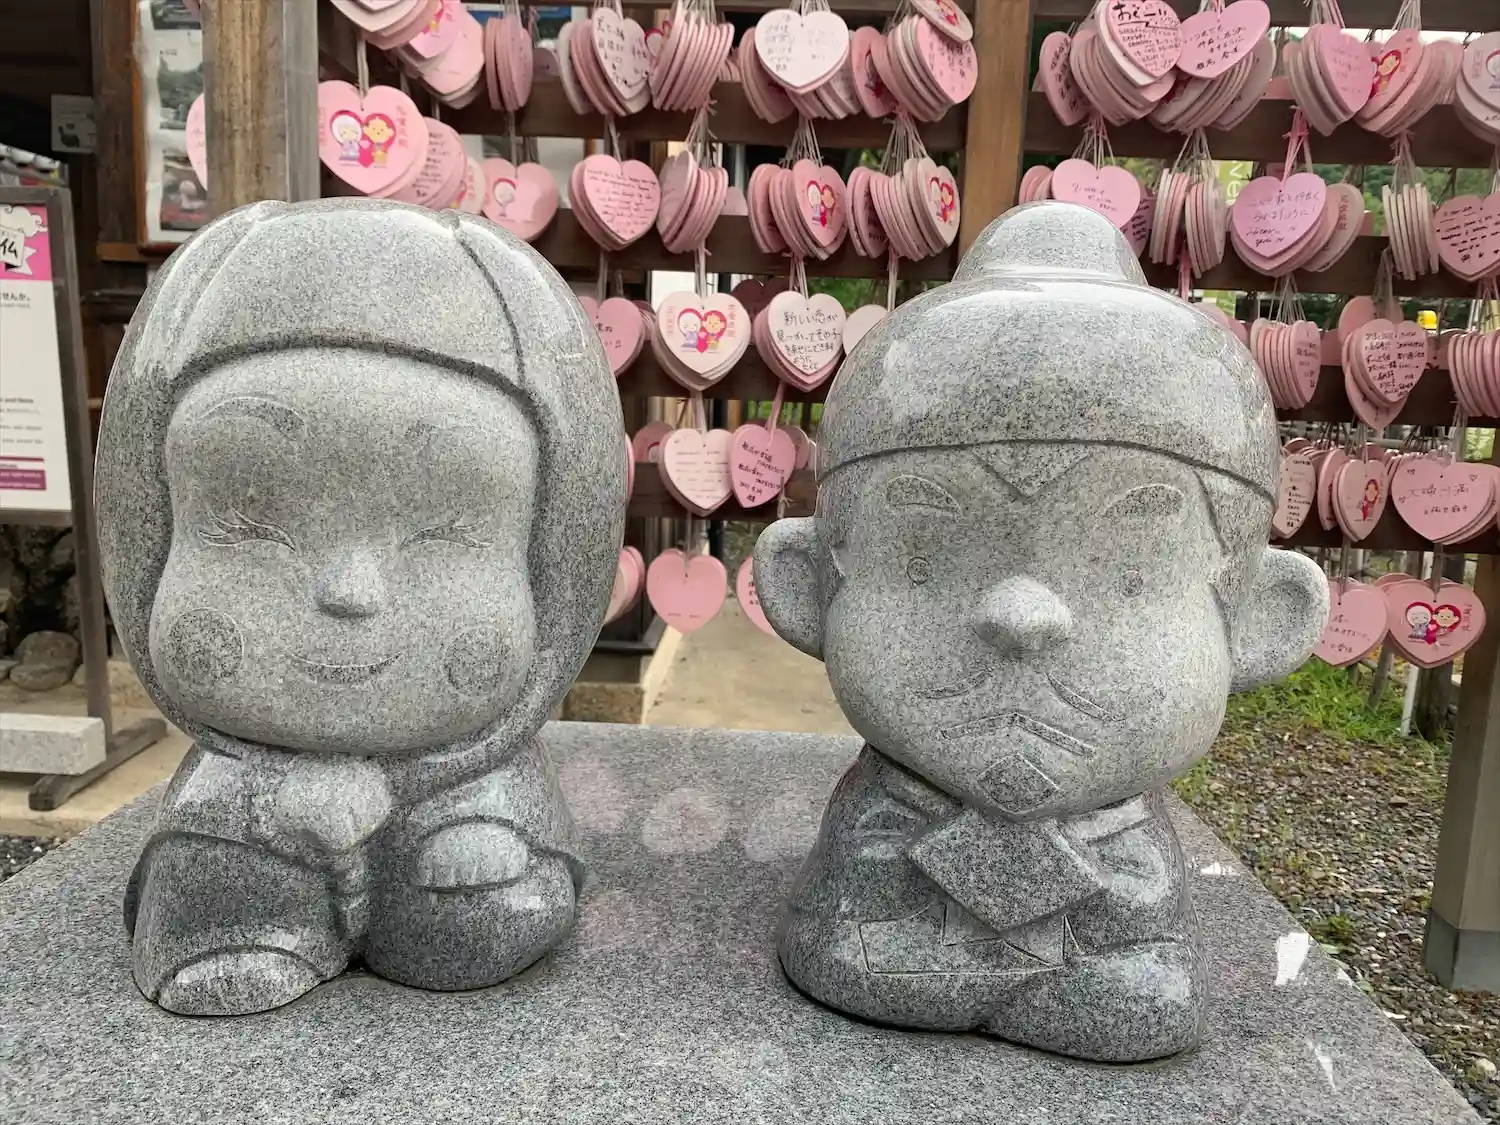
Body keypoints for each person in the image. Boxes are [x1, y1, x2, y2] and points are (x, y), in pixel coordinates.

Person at [752, 202, 1327, 1063]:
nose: (1021, 615)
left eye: (1130, 570)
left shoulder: (1131, 852)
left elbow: (1151, 984)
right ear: (807, 592)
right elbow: (840, 942)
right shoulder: (878, 822)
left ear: (1258, 620)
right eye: (925, 558)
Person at [96, 199, 626, 1016]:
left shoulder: (492, 741)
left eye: (444, 530)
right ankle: (249, 917)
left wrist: (478, 830)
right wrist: (273, 803)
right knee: (212, 878)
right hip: (240, 825)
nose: (350, 590)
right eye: (252, 524)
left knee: (485, 901)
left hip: (465, 796)